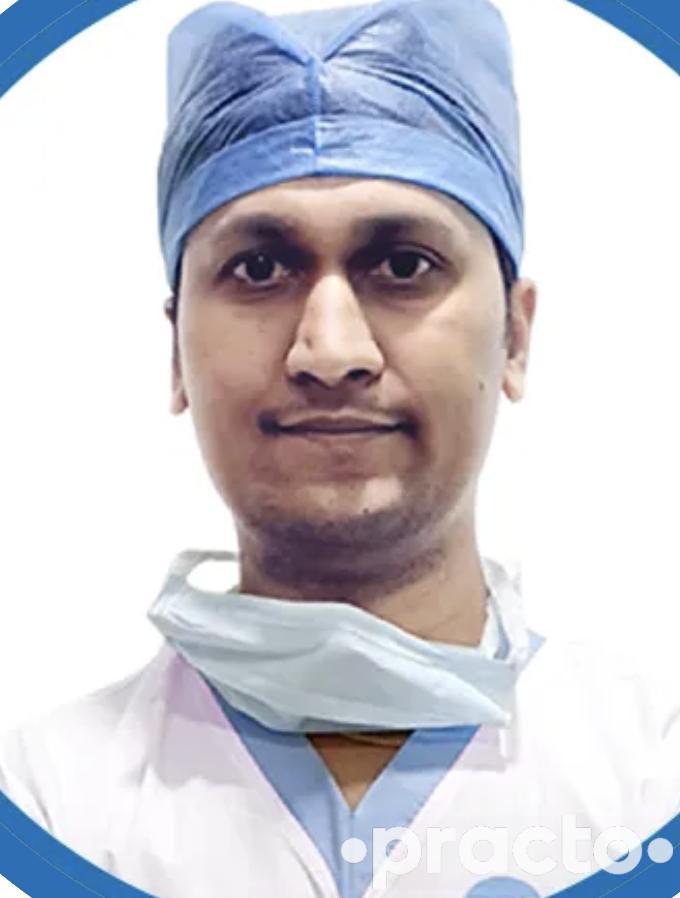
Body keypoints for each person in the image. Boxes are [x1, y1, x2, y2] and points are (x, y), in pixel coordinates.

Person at [1, 1, 678, 896]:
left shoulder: (652, 777)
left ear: (514, 338)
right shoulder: (45, 804)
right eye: (258, 268)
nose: (330, 352)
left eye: (403, 265)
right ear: (175, 355)